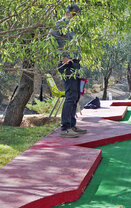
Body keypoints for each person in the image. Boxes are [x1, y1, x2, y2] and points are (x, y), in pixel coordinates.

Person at [49, 4, 87, 138]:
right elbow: (49, 41)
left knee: (75, 95)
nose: (76, 17)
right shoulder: (60, 24)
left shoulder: (71, 28)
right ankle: (65, 128)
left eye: (78, 15)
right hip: (67, 65)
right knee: (70, 95)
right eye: (74, 14)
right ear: (67, 12)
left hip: (75, 64)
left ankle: (72, 125)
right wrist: (61, 57)